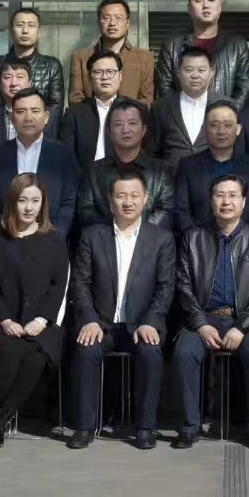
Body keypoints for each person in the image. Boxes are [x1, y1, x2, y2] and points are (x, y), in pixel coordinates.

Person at [67, 171, 176, 450]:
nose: (128, 202)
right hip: (102, 324)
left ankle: (146, 427)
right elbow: (80, 283)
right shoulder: (92, 236)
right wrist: (89, 319)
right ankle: (85, 426)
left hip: (142, 324)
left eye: (134, 195)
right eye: (121, 196)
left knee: (150, 354)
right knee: (85, 350)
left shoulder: (161, 238)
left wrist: (151, 321)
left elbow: (165, 287)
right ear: (111, 200)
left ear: (146, 199)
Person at [172, 175, 249, 450]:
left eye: (233, 195)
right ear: (211, 201)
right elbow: (182, 285)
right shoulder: (193, 237)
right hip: (203, 318)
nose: (226, 201)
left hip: (245, 321)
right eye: (220, 195)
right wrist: (200, 323)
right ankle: (189, 427)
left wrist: (241, 327)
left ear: (244, 202)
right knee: (184, 353)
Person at [0, 174, 69, 449]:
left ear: (43, 204)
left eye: (35, 201)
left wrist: (42, 320)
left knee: (34, 360)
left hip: (42, 325)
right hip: (5, 323)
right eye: (23, 200)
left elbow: (60, 285)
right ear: (12, 202)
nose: (29, 207)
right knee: (10, 356)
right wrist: (4, 320)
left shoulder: (54, 240)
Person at [0, 88, 78, 238]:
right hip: (5, 240)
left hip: (51, 241)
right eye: (21, 111)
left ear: (46, 117)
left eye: (35, 111)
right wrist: (6, 232)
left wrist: (54, 237)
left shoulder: (64, 155)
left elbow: (69, 202)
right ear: (12, 118)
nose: (28, 117)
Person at [77, 99, 176, 230]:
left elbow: (166, 211)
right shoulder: (94, 171)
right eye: (118, 124)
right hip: (105, 239)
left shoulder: (161, 171)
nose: (126, 130)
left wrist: (137, 235)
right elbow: (86, 211)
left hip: (150, 240)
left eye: (132, 123)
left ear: (144, 130)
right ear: (109, 132)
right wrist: (115, 233)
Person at [174, 101, 249, 233]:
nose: (221, 131)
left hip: (246, 241)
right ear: (204, 129)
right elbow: (181, 210)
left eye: (228, 125)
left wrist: (245, 238)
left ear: (238, 129)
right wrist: (197, 239)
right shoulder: (188, 166)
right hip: (198, 241)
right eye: (214, 125)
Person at [156, 0, 249, 109]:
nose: (206, 5)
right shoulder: (172, 45)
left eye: (211, 0)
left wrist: (227, 114)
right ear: (189, 8)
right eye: (199, 0)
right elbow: (165, 87)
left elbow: (244, 86)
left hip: (223, 118)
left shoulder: (237, 45)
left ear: (220, 7)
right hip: (183, 117)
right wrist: (180, 114)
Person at [0, 7, 65, 134]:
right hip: (0, 136)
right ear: (11, 30)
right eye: (20, 25)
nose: (25, 31)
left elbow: (55, 110)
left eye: (31, 26)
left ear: (39, 32)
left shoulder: (52, 66)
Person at [68, 0, 155, 106]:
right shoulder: (80, 57)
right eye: (106, 18)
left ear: (128, 23)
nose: (112, 23)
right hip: (91, 116)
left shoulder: (144, 58)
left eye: (118, 18)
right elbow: (76, 100)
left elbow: (147, 99)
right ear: (99, 22)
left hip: (131, 116)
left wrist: (126, 115)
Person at [150, 46, 223, 172]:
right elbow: (152, 152)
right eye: (189, 70)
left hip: (214, 179)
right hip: (171, 180)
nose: (195, 75)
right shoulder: (161, 107)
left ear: (211, 73)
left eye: (201, 70)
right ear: (178, 72)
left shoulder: (224, 106)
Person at [60, 49, 122, 172]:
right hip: (84, 180)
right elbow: (66, 157)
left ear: (120, 76)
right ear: (89, 77)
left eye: (110, 72)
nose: (105, 77)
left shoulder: (134, 110)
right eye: (98, 72)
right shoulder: (74, 114)